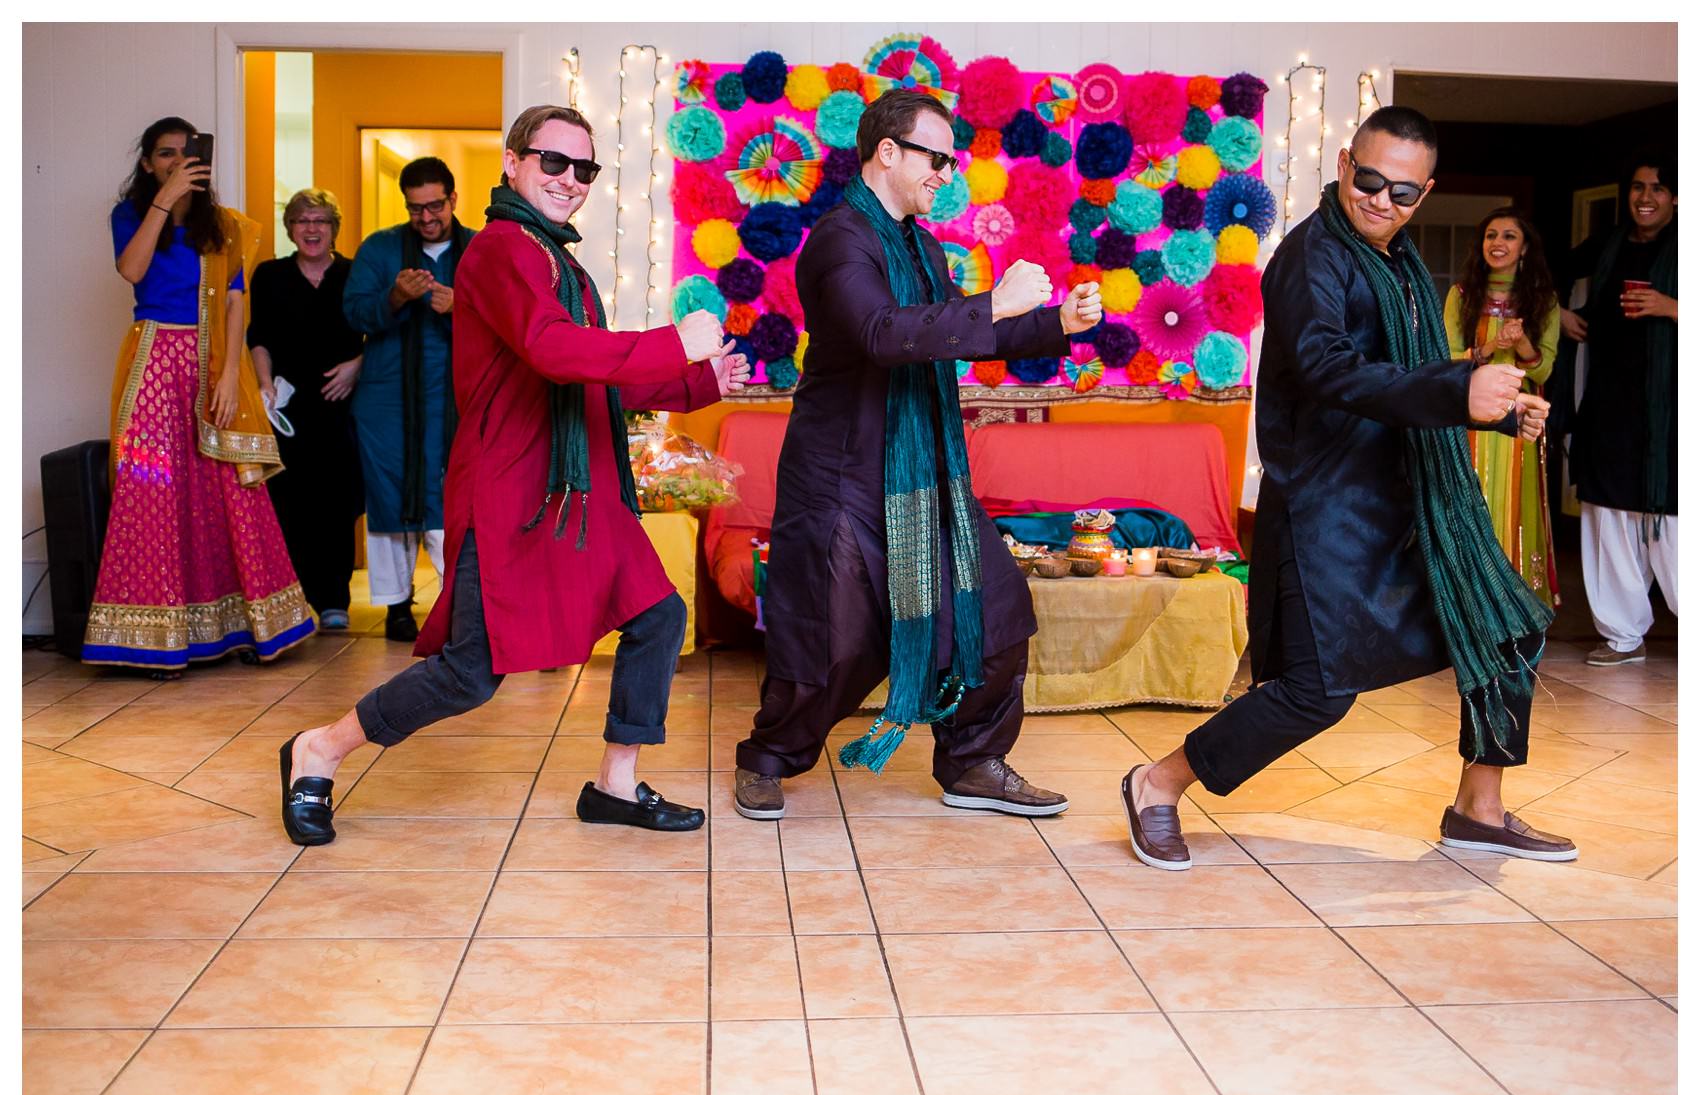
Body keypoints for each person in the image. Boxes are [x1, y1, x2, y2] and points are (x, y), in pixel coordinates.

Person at [278, 104, 748, 846]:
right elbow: (552, 350)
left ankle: (614, 784)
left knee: (658, 618)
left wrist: (700, 383)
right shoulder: (501, 250)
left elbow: (590, 379)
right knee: (469, 673)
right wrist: (672, 343)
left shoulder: (558, 259)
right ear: (513, 161)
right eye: (552, 162)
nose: (568, 179)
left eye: (582, 168)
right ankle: (319, 750)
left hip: (578, 491)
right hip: (515, 494)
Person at [1120, 106, 1577, 870]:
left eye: (1402, 193)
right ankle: (1157, 782)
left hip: (1409, 505)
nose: (1381, 202)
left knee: (1508, 625)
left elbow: (1406, 372)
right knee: (1316, 692)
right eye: (1369, 181)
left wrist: (1493, 406)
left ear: (1423, 195)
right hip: (1327, 512)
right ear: (1342, 164)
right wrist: (1458, 393)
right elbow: (1329, 369)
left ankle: (1479, 806)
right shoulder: (1311, 259)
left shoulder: (1397, 263)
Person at [732, 89, 1104, 820]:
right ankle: (769, 755)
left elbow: (947, 334)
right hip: (843, 477)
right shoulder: (841, 240)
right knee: (834, 643)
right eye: (936, 156)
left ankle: (973, 760)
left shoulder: (921, 245)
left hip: (925, 477)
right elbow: (881, 332)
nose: (947, 172)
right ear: (888, 152)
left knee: (995, 612)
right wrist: (994, 301)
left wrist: (1050, 322)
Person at [84, 116, 315, 675]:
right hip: (154, 360)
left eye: (186, 154)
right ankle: (151, 636)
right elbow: (132, 270)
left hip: (212, 362)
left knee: (225, 487)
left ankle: (237, 627)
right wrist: (164, 201)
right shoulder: (131, 216)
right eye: (165, 155)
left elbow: (235, 302)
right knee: (152, 489)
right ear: (148, 164)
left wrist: (229, 374)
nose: (177, 162)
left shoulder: (224, 227)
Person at [342, 156, 472, 642]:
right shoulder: (380, 249)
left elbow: (508, 320)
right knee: (390, 498)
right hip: (388, 399)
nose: (426, 218)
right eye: (416, 209)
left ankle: (456, 603)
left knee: (450, 496)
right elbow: (354, 314)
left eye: (435, 206)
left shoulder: (479, 250)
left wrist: (462, 307)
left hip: (455, 396)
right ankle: (397, 605)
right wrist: (393, 298)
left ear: (452, 199)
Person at [1567, 151, 1677, 665]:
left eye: (1657, 188)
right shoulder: (1609, 245)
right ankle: (1622, 636)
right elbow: (1547, 271)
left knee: (1675, 525)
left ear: (1676, 197)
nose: (1646, 197)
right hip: (1611, 410)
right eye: (1638, 187)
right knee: (1608, 518)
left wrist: (1672, 306)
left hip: (1672, 416)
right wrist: (1561, 316)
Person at [249, 188, 365, 630]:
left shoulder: (356, 274)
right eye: (302, 221)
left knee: (338, 502)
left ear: (334, 229)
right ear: (290, 229)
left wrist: (357, 366)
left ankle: (334, 599)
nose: (311, 229)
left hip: (343, 406)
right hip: (288, 407)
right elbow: (258, 338)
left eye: (320, 221)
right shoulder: (270, 276)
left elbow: (383, 332)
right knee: (289, 503)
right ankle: (296, 601)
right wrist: (264, 387)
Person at [1443, 207, 1561, 606]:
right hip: (1470, 417)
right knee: (1468, 497)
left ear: (1525, 247)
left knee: (1516, 505)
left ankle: (1517, 605)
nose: (1498, 243)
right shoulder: (1461, 295)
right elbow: (1444, 360)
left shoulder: (1543, 300)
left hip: (1520, 421)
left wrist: (1522, 342)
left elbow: (1542, 370)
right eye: (1491, 235)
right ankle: (1465, 604)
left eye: (1509, 236)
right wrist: (1490, 348)